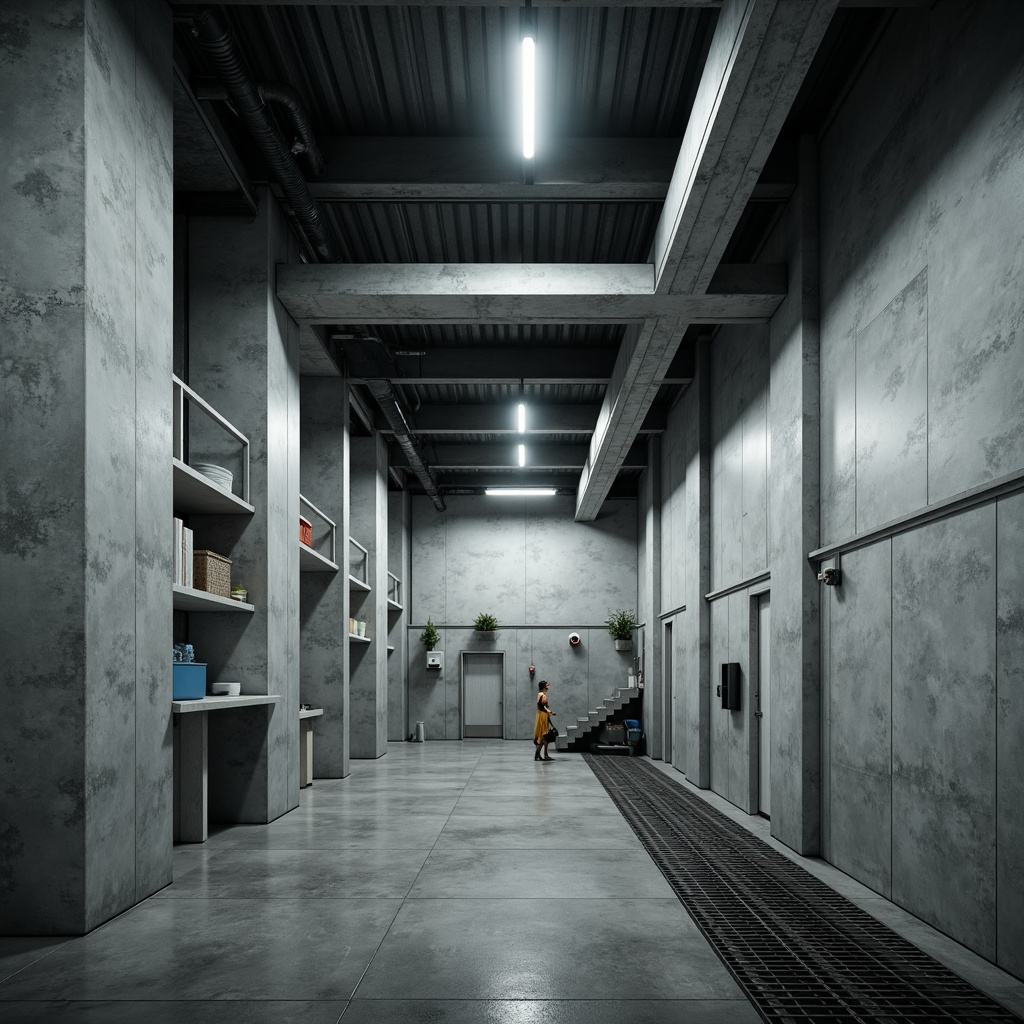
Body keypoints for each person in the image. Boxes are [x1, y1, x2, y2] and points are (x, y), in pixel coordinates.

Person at [533, 679, 557, 761]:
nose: (548, 686)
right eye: (547, 685)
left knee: (545, 736)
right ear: (543, 687)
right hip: (542, 715)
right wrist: (550, 712)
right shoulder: (541, 695)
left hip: (543, 715)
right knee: (544, 736)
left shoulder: (542, 694)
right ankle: (539, 755)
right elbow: (541, 706)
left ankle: (542, 755)